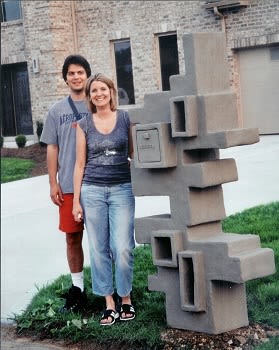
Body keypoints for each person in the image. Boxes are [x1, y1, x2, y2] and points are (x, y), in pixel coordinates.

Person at [72, 73, 136, 326]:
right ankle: (109, 303)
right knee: (98, 249)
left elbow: (133, 153)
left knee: (122, 247)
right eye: (93, 91)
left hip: (122, 189)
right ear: (89, 97)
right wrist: (76, 201)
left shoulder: (125, 118)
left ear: (111, 91)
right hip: (92, 190)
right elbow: (79, 164)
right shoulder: (84, 123)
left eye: (102, 89)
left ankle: (126, 298)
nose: (98, 94)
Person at [40, 54, 92, 312]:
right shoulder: (56, 111)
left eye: (80, 72)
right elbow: (52, 148)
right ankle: (78, 289)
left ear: (87, 75)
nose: (76, 77)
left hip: (97, 183)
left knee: (104, 239)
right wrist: (53, 182)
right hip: (69, 187)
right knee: (73, 237)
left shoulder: (98, 102)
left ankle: (112, 290)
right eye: (71, 73)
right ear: (65, 78)